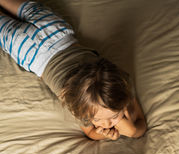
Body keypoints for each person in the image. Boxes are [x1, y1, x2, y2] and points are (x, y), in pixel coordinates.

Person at [0, 0, 147, 140]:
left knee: (19, 6)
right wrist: (131, 131)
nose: (107, 124)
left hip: (54, 29)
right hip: (27, 49)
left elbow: (140, 123)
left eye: (113, 117)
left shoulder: (122, 82)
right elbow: (90, 133)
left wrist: (128, 129)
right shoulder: (79, 103)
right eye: (99, 119)